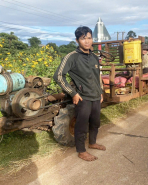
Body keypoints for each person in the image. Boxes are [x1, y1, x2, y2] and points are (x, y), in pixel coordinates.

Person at [53, 26, 106, 162]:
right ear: (77, 40)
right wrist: (73, 93)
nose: (87, 41)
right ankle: (81, 151)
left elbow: (97, 76)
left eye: (89, 38)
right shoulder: (72, 57)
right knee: (81, 125)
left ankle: (92, 142)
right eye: (83, 39)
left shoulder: (94, 57)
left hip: (95, 96)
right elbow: (59, 76)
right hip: (83, 98)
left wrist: (100, 92)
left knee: (95, 122)